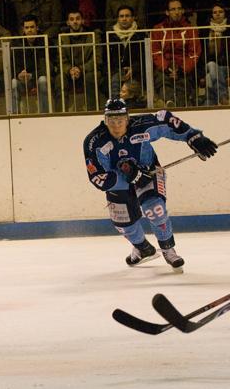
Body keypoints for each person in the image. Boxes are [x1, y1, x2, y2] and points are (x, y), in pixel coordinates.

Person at [82, 98, 218, 269]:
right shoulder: (94, 141)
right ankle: (143, 249)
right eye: (112, 120)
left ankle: (168, 250)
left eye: (120, 120)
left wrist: (193, 136)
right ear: (105, 120)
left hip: (149, 172)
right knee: (123, 224)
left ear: (128, 118)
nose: (116, 125)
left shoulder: (141, 125)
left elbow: (166, 118)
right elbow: (97, 178)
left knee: (155, 209)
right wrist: (130, 177)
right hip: (117, 183)